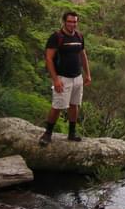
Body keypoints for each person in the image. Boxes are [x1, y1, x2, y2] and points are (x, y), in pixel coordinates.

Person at [39, 11, 91, 145]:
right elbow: (49, 59)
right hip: (63, 78)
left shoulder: (79, 36)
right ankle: (47, 134)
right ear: (64, 22)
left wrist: (87, 74)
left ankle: (71, 133)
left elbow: (83, 55)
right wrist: (55, 79)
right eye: (70, 21)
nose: (72, 24)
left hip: (77, 77)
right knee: (57, 106)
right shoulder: (56, 37)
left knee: (74, 105)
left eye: (75, 22)